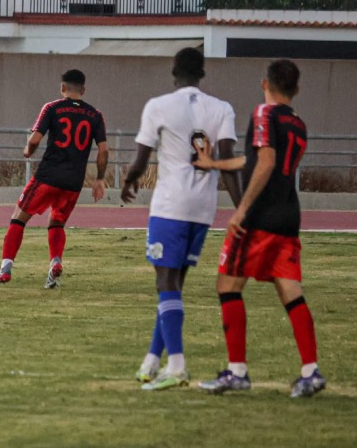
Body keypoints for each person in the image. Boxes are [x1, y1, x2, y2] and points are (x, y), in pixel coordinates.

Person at [196, 59, 325, 398]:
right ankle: (311, 371)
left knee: (227, 284)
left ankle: (237, 371)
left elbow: (265, 161)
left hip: (260, 218)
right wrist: (213, 164)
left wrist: (242, 209)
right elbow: (255, 161)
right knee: (289, 290)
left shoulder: (264, 114)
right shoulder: (297, 122)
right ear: (296, 89)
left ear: (264, 84)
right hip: (288, 216)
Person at [121, 47, 241, 391]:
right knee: (173, 285)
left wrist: (129, 181)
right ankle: (151, 361)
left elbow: (141, 160)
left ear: (174, 74)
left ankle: (177, 366)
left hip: (170, 205)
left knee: (165, 282)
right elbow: (227, 159)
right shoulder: (221, 108)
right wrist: (242, 206)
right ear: (202, 74)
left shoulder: (158, 105)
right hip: (203, 209)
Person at [0, 69, 109, 289]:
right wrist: (99, 179)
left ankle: (5, 270)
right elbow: (104, 150)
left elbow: (35, 139)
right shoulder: (95, 115)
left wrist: (28, 150)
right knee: (57, 222)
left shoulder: (52, 108)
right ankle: (55, 263)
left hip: (48, 176)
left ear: (62, 88)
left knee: (18, 218)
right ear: (84, 89)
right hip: (73, 182)